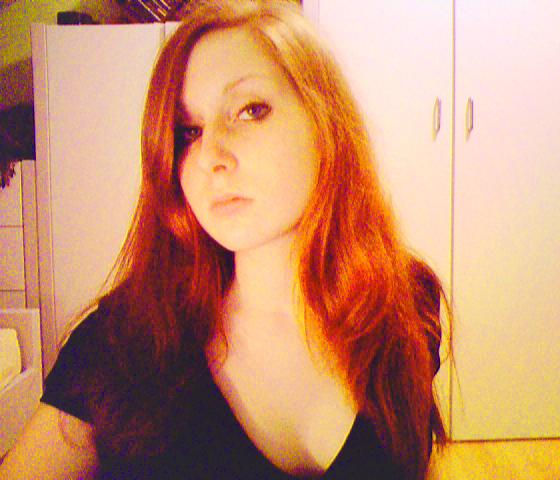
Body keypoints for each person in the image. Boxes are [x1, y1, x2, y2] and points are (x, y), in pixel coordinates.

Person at [0, 1, 447, 478]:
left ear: (326, 123)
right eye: (188, 132)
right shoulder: (121, 344)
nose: (211, 155)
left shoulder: (405, 299)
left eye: (250, 110)